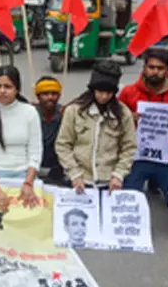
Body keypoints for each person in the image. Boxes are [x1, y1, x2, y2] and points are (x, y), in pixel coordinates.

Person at [119, 49, 168, 205]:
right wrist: (128, 117)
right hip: (135, 158)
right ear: (144, 68)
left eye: (160, 68)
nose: (155, 72)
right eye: (151, 67)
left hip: (166, 159)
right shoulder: (128, 92)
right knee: (128, 201)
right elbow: (115, 121)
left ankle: (156, 183)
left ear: (167, 70)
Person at [55, 61, 136, 194]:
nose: (104, 96)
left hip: (110, 183)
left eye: (109, 92)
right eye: (100, 91)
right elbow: (63, 145)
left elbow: (129, 147)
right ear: (92, 89)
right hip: (80, 181)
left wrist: (118, 174)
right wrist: (74, 173)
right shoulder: (74, 111)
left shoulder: (123, 114)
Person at [0, 66, 43, 212]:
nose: (2, 91)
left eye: (8, 86)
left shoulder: (29, 112)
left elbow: (35, 152)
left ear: (17, 89)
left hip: (24, 177)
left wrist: (28, 183)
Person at [34, 76, 65, 183]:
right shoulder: (31, 114)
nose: (50, 97)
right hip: (33, 168)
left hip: (57, 169)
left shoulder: (64, 114)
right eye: (45, 94)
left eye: (54, 93)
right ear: (38, 96)